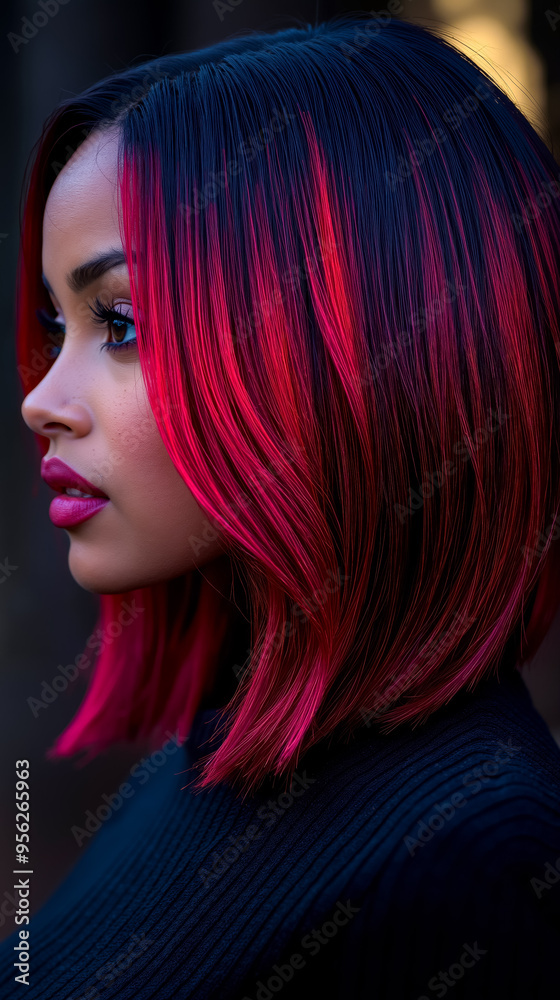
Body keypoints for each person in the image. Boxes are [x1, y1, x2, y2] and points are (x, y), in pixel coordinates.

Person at [2, 13, 560, 999]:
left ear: (348, 353)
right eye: (58, 321)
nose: (41, 401)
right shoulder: (215, 755)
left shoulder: (465, 863)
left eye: (120, 323)